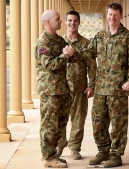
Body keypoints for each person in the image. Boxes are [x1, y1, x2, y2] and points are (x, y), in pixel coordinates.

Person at [82, 3, 129, 168]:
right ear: (106, 15)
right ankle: (103, 150)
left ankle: (116, 155)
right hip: (101, 88)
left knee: (118, 124)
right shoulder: (100, 36)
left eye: (115, 15)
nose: (112, 18)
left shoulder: (127, 37)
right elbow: (88, 53)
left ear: (121, 15)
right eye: (109, 15)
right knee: (98, 121)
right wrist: (72, 50)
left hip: (118, 89)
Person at [34, 10, 75, 168]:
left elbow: (70, 55)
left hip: (62, 89)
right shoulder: (42, 43)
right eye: (58, 19)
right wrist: (65, 56)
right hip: (50, 91)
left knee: (60, 124)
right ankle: (48, 157)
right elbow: (49, 65)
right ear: (48, 22)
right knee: (49, 125)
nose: (61, 21)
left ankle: (53, 154)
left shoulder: (59, 40)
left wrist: (69, 54)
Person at [56, 10, 97, 160]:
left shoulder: (86, 44)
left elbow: (92, 66)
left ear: (79, 23)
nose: (72, 23)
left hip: (80, 88)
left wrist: (92, 85)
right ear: (65, 22)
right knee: (61, 118)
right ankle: (60, 146)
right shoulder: (59, 42)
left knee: (78, 119)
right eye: (70, 20)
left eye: (75, 21)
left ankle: (74, 148)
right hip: (62, 87)